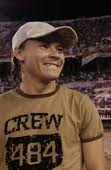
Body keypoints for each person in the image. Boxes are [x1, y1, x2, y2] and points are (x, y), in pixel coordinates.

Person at [0, 22, 105, 170]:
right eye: (44, 46)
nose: (56, 55)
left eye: (60, 49)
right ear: (19, 53)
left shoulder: (81, 104)